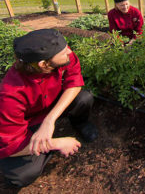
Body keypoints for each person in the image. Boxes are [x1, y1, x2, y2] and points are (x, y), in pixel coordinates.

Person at [0, 29, 99, 188]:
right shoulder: (10, 95)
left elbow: (74, 82)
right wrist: (56, 143)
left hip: (50, 107)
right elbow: (10, 145)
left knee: (84, 98)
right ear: (44, 64)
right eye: (62, 51)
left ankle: (79, 124)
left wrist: (50, 119)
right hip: (28, 125)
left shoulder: (63, 56)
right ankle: (45, 147)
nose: (69, 51)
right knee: (22, 175)